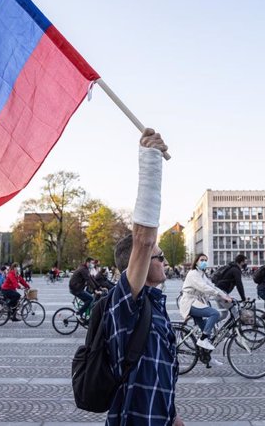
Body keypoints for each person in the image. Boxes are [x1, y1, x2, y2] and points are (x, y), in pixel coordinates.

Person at [102, 128, 183, 426]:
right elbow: (144, 239)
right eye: (159, 257)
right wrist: (151, 161)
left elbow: (162, 367)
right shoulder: (127, 303)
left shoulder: (154, 303)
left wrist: (173, 414)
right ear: (139, 263)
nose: (164, 262)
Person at [179, 253, 232, 357]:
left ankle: (206, 357)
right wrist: (220, 296)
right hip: (189, 303)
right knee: (214, 314)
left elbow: (212, 286)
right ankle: (202, 339)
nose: (204, 262)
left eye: (205, 260)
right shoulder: (193, 273)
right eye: (202, 260)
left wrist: (224, 295)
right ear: (196, 261)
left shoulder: (202, 274)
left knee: (207, 331)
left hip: (196, 302)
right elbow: (203, 287)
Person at [69, 258, 99, 323]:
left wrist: (99, 287)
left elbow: (91, 278)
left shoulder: (85, 268)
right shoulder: (83, 269)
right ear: (87, 262)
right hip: (76, 288)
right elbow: (88, 280)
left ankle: (83, 315)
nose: (92, 264)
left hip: (77, 287)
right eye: (91, 263)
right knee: (90, 299)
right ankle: (79, 314)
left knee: (88, 299)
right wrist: (95, 290)